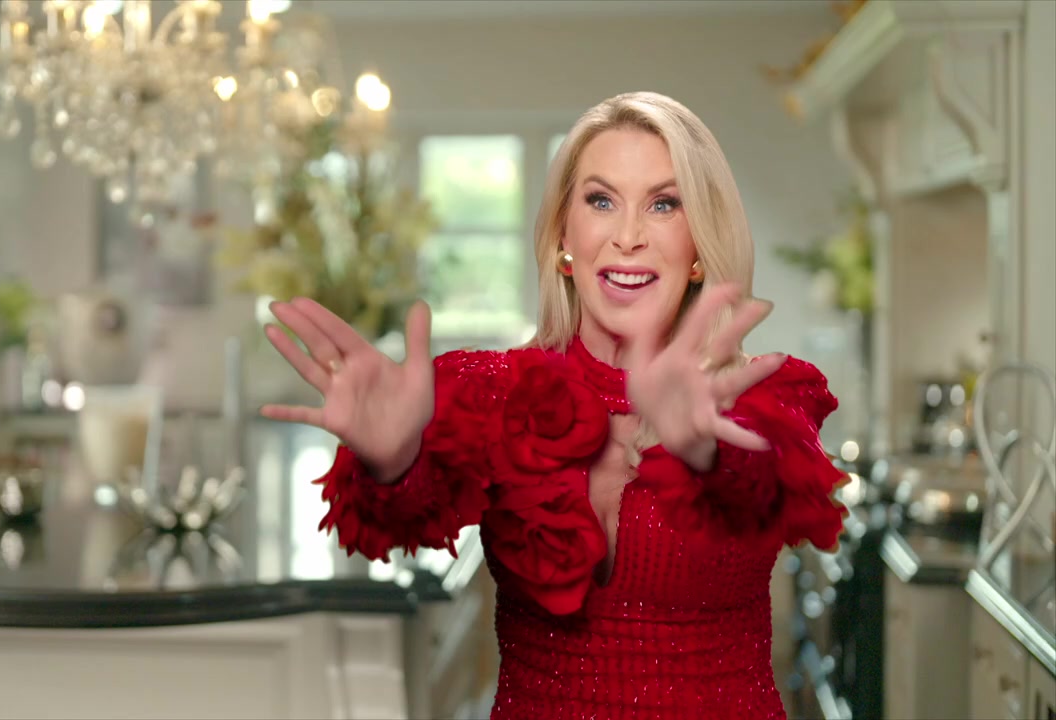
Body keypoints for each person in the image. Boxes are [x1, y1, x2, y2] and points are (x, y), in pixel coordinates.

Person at [260, 91, 846, 720]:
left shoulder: (766, 393)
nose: (627, 237)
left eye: (663, 204)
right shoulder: (493, 390)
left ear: (701, 243)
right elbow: (399, 520)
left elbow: (776, 488)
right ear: (564, 235)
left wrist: (707, 451)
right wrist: (393, 463)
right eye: (601, 201)